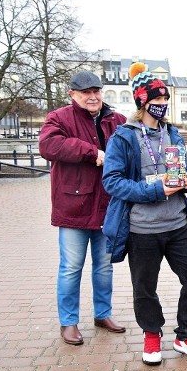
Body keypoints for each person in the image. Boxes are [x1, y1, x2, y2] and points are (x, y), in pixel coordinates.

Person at [102, 62, 187, 365]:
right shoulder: (123, 137)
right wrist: (155, 190)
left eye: (165, 100)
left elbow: (186, 174)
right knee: (144, 287)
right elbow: (112, 181)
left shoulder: (173, 134)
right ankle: (152, 335)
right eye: (156, 101)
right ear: (142, 102)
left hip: (177, 223)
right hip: (142, 228)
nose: (162, 106)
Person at [39, 70, 126, 346]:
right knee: (71, 268)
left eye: (96, 91)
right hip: (73, 207)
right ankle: (69, 322)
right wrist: (92, 152)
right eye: (86, 92)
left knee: (104, 267)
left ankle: (103, 314)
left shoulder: (117, 120)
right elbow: (48, 144)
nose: (92, 96)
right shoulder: (59, 118)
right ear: (73, 95)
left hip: (107, 206)